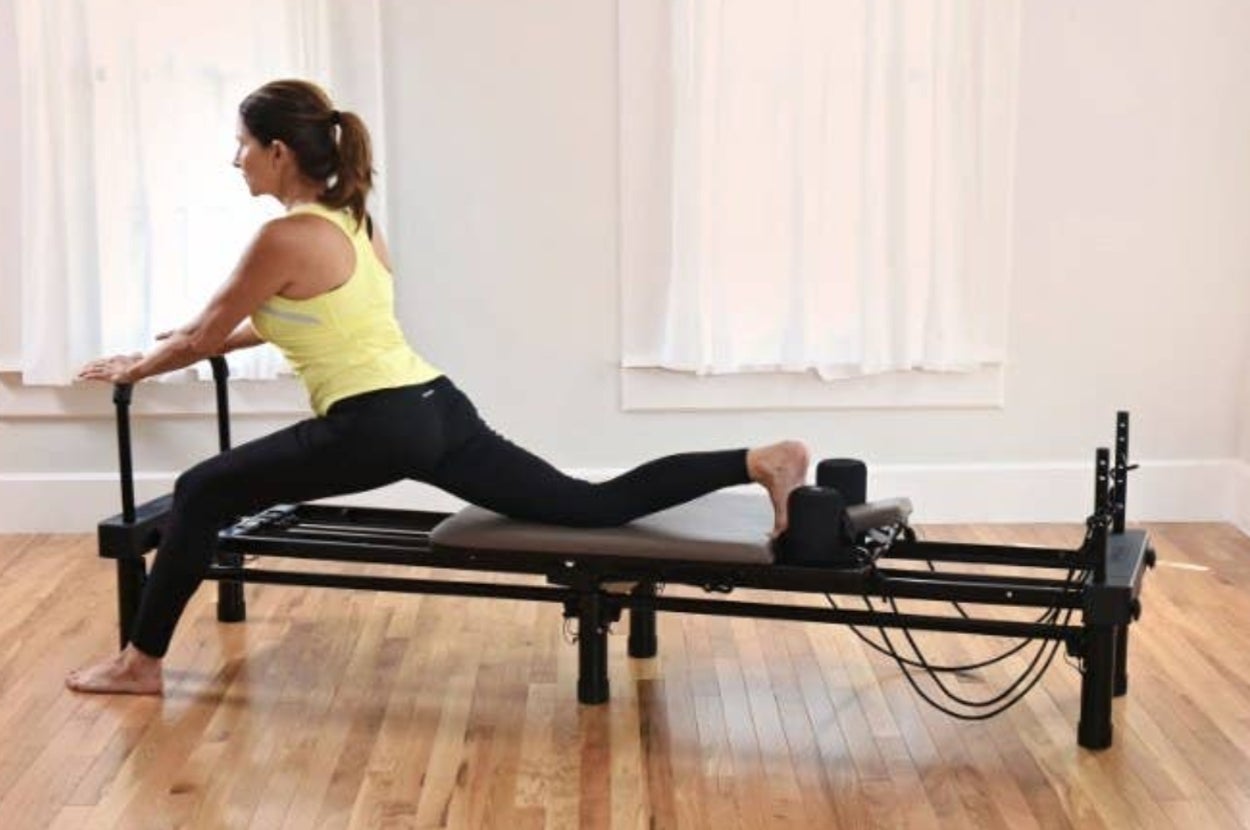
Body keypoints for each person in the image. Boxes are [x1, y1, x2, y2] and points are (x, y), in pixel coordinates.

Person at [67, 79, 809, 695]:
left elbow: (200, 336)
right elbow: (306, 319)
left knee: (200, 490)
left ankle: (140, 664)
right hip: (434, 405)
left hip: (373, 423)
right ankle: (756, 460)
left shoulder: (281, 236)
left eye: (242, 145)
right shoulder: (352, 221)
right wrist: (187, 346)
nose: (236, 161)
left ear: (279, 151)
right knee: (592, 505)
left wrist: (136, 366)